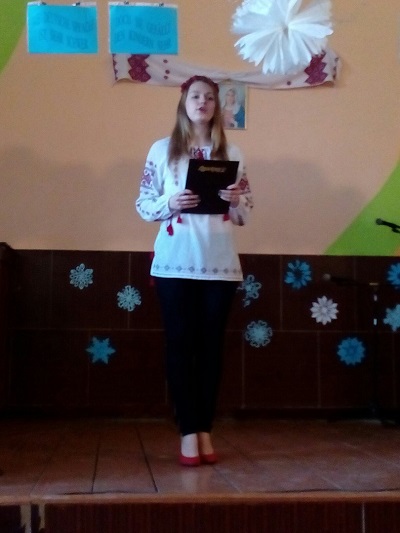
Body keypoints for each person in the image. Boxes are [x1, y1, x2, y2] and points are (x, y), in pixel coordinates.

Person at [136, 75, 253, 466]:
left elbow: (246, 214)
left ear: (217, 106)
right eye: (195, 96)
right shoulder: (162, 150)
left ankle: (205, 428)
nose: (202, 102)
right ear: (184, 103)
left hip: (219, 265)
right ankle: (187, 430)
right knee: (180, 344)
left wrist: (235, 200)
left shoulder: (232, 152)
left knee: (210, 348)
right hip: (174, 263)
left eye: (209, 97)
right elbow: (144, 204)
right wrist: (171, 202)